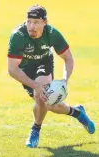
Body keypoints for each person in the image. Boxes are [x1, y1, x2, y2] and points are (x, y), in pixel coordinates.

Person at [7, 4, 95, 148]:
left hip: (43, 63)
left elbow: (68, 58)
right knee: (51, 106)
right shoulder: (18, 35)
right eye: (29, 21)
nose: (31, 26)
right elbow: (12, 69)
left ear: (44, 22)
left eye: (36, 22)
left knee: (42, 98)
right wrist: (34, 85)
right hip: (25, 69)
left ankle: (35, 129)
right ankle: (77, 112)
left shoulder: (52, 33)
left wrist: (65, 81)